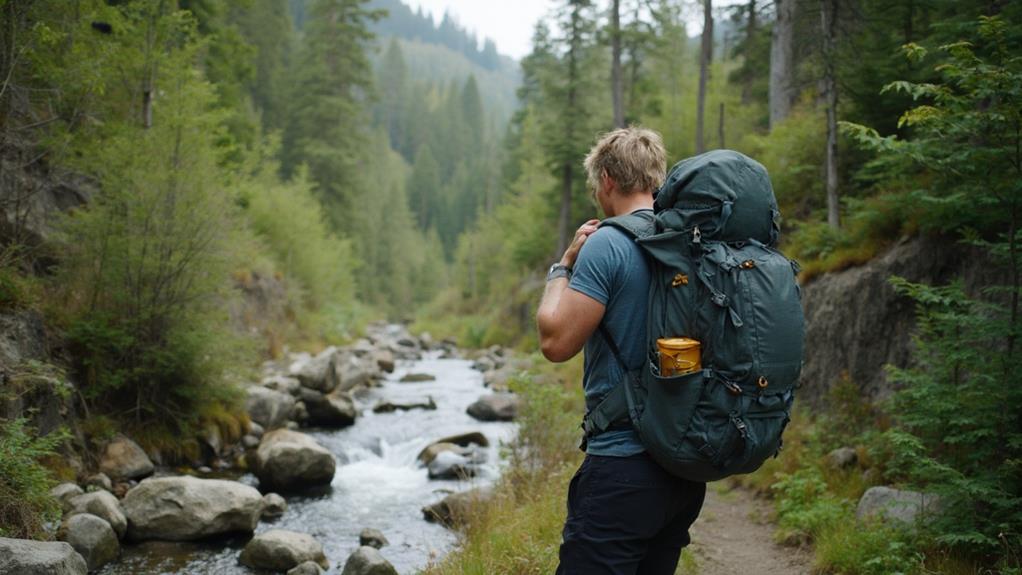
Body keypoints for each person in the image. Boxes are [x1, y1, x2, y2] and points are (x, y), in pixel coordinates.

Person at [536, 127, 706, 575]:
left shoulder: (606, 244)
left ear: (608, 179)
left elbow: (556, 342)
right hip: (683, 468)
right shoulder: (691, 242)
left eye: (596, 184)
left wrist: (563, 267)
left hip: (623, 466)